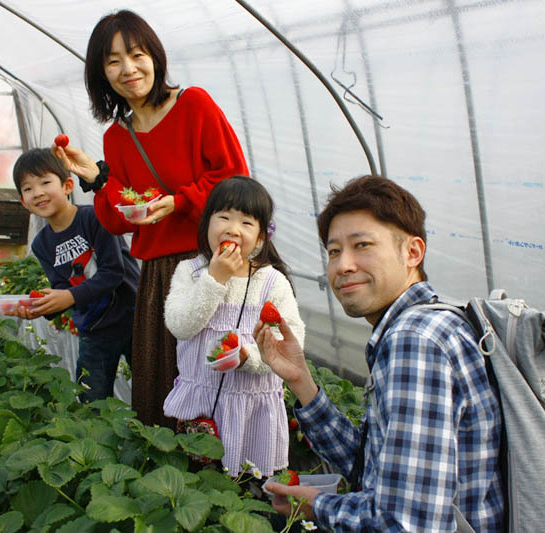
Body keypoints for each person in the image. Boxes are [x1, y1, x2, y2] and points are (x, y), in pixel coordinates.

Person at [255, 176, 505, 532]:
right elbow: (369, 469)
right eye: (334, 251)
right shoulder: (428, 325)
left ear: (413, 253)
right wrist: (301, 380)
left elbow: (407, 523)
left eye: (362, 245)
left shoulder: (416, 342)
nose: (343, 265)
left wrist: (320, 507)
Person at [52, 9, 248, 428]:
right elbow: (119, 220)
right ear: (101, 74)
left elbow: (234, 178)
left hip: (212, 264)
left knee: (222, 379)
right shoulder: (116, 137)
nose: (128, 69)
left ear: (154, 57)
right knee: (166, 383)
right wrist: (97, 178)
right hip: (159, 276)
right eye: (113, 61)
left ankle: (237, 476)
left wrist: (179, 202)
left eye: (136, 54)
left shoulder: (194, 104)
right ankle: (173, 477)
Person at [163, 177, 305, 477]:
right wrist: (214, 278)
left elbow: (290, 339)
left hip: (253, 411)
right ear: (207, 224)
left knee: (251, 487)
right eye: (223, 217)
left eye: (246, 222)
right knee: (200, 485)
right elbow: (180, 326)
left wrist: (248, 357)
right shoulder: (190, 272)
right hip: (203, 410)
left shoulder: (271, 281)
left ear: (262, 237)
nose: (232, 228)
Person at [11, 148, 140, 403]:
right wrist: (41, 307)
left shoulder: (93, 217)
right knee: (91, 399)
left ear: (68, 185)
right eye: (28, 188)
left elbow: (113, 272)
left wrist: (69, 296)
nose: (38, 192)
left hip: (131, 318)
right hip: (94, 329)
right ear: (23, 201)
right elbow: (61, 285)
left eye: (46, 182)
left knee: (153, 389)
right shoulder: (42, 244)